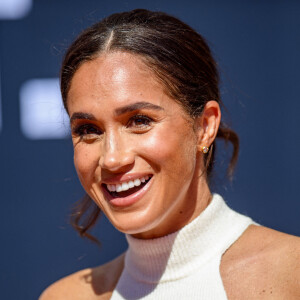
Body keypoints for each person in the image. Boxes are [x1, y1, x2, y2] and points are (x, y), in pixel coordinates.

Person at [40, 9, 300, 300]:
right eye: (88, 129)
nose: (111, 158)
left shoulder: (291, 275)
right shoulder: (66, 296)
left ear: (204, 126)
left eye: (139, 121)